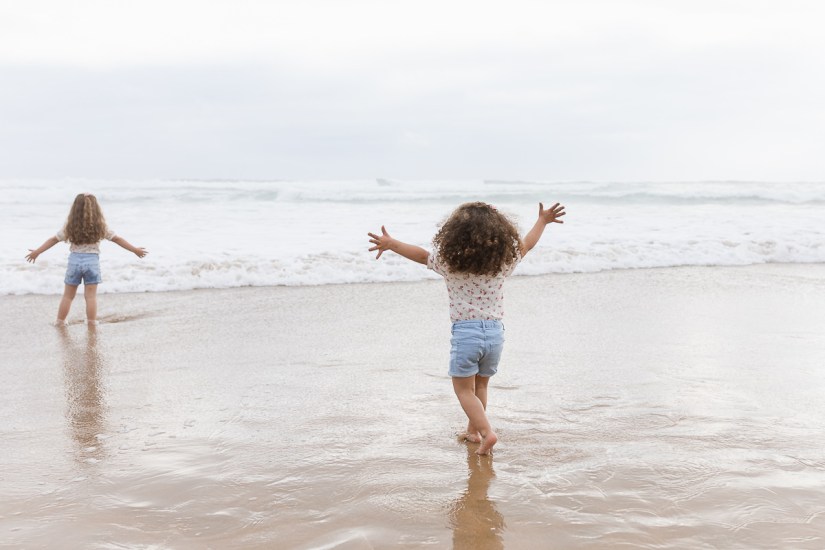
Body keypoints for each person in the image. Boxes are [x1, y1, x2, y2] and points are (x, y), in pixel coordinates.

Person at [368, 201, 565, 455]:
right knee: (481, 387)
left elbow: (420, 255)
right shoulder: (503, 263)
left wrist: (391, 244)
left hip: (466, 333)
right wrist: (543, 221)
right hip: (495, 333)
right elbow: (527, 243)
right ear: (501, 235)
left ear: (454, 235)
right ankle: (473, 432)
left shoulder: (451, 263)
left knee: (463, 389)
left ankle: (486, 433)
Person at [25, 193, 147, 325]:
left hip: (74, 262)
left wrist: (37, 252)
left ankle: (60, 321)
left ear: (75, 209)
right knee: (90, 297)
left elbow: (53, 239)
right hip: (92, 262)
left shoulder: (70, 227)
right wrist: (134, 249)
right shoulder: (100, 226)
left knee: (68, 296)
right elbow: (117, 239)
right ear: (96, 209)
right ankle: (91, 322)